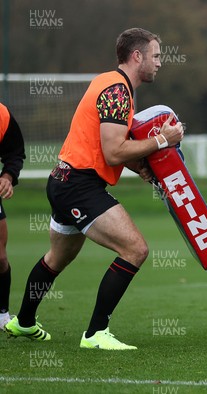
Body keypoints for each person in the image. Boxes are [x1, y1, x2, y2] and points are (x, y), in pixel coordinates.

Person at [4, 28, 184, 349]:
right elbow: (114, 151)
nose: (159, 62)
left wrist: (141, 167)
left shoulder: (110, 82)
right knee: (135, 250)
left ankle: (24, 322)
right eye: (155, 56)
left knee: (57, 258)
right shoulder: (117, 91)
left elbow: (107, 147)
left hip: (63, 179)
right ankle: (96, 334)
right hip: (78, 186)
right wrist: (161, 141)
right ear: (137, 56)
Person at [0, 103, 26, 330]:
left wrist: (8, 176)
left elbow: (15, 152)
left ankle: (2, 315)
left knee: (0, 257)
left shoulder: (2, 115)